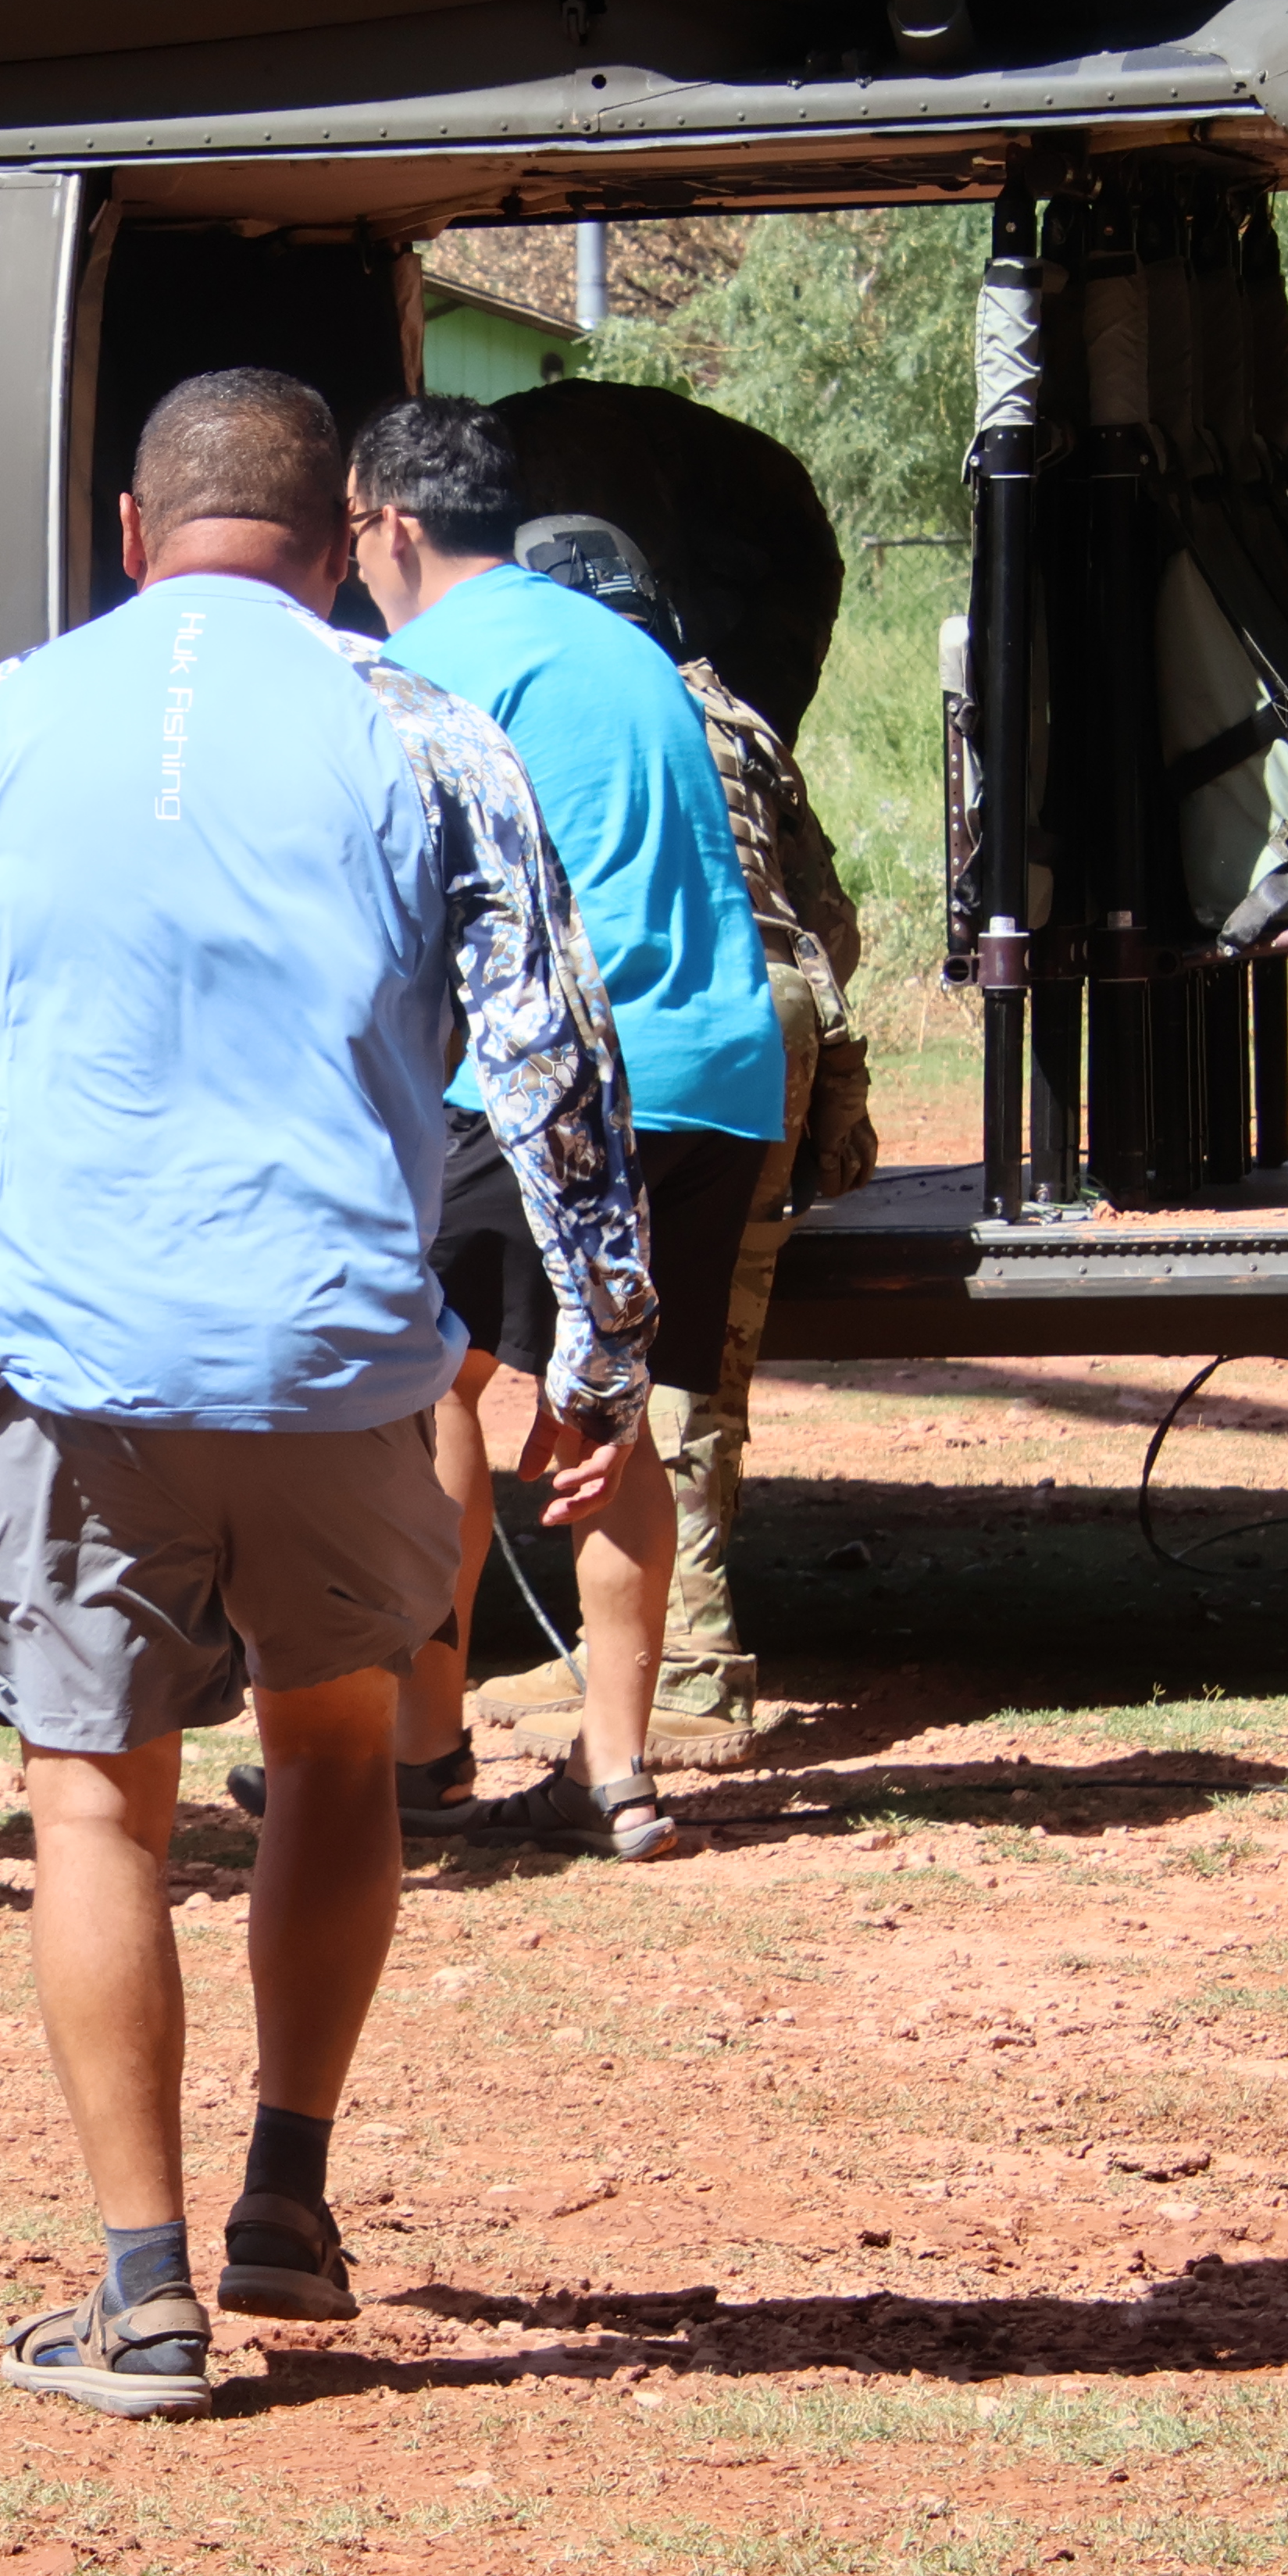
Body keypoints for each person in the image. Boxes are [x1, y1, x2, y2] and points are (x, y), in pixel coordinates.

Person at [0, 369, 651, 2421]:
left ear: (123, 521)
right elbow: (553, 1054)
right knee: (337, 1755)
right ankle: (291, 2198)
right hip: (339, 1341)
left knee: (95, 1793)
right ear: (345, 532)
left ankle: (142, 2292)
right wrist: (599, 1344)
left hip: (69, 1349)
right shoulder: (420, 728)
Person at [343, 405, 783, 1859]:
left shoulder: (427, 670)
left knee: (444, 1384)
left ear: (395, 525)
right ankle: (618, 1773)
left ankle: (421, 1754)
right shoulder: (620, 639)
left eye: (352, 534)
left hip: (561, 1080)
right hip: (719, 1068)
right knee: (612, 1408)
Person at [478, 515, 878, 1767]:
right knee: (696, 1347)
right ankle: (637, 1645)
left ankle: (689, 1668)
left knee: (647, 1354)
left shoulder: (563, 700)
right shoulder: (724, 707)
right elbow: (829, 917)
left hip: (636, 1032)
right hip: (767, 1020)